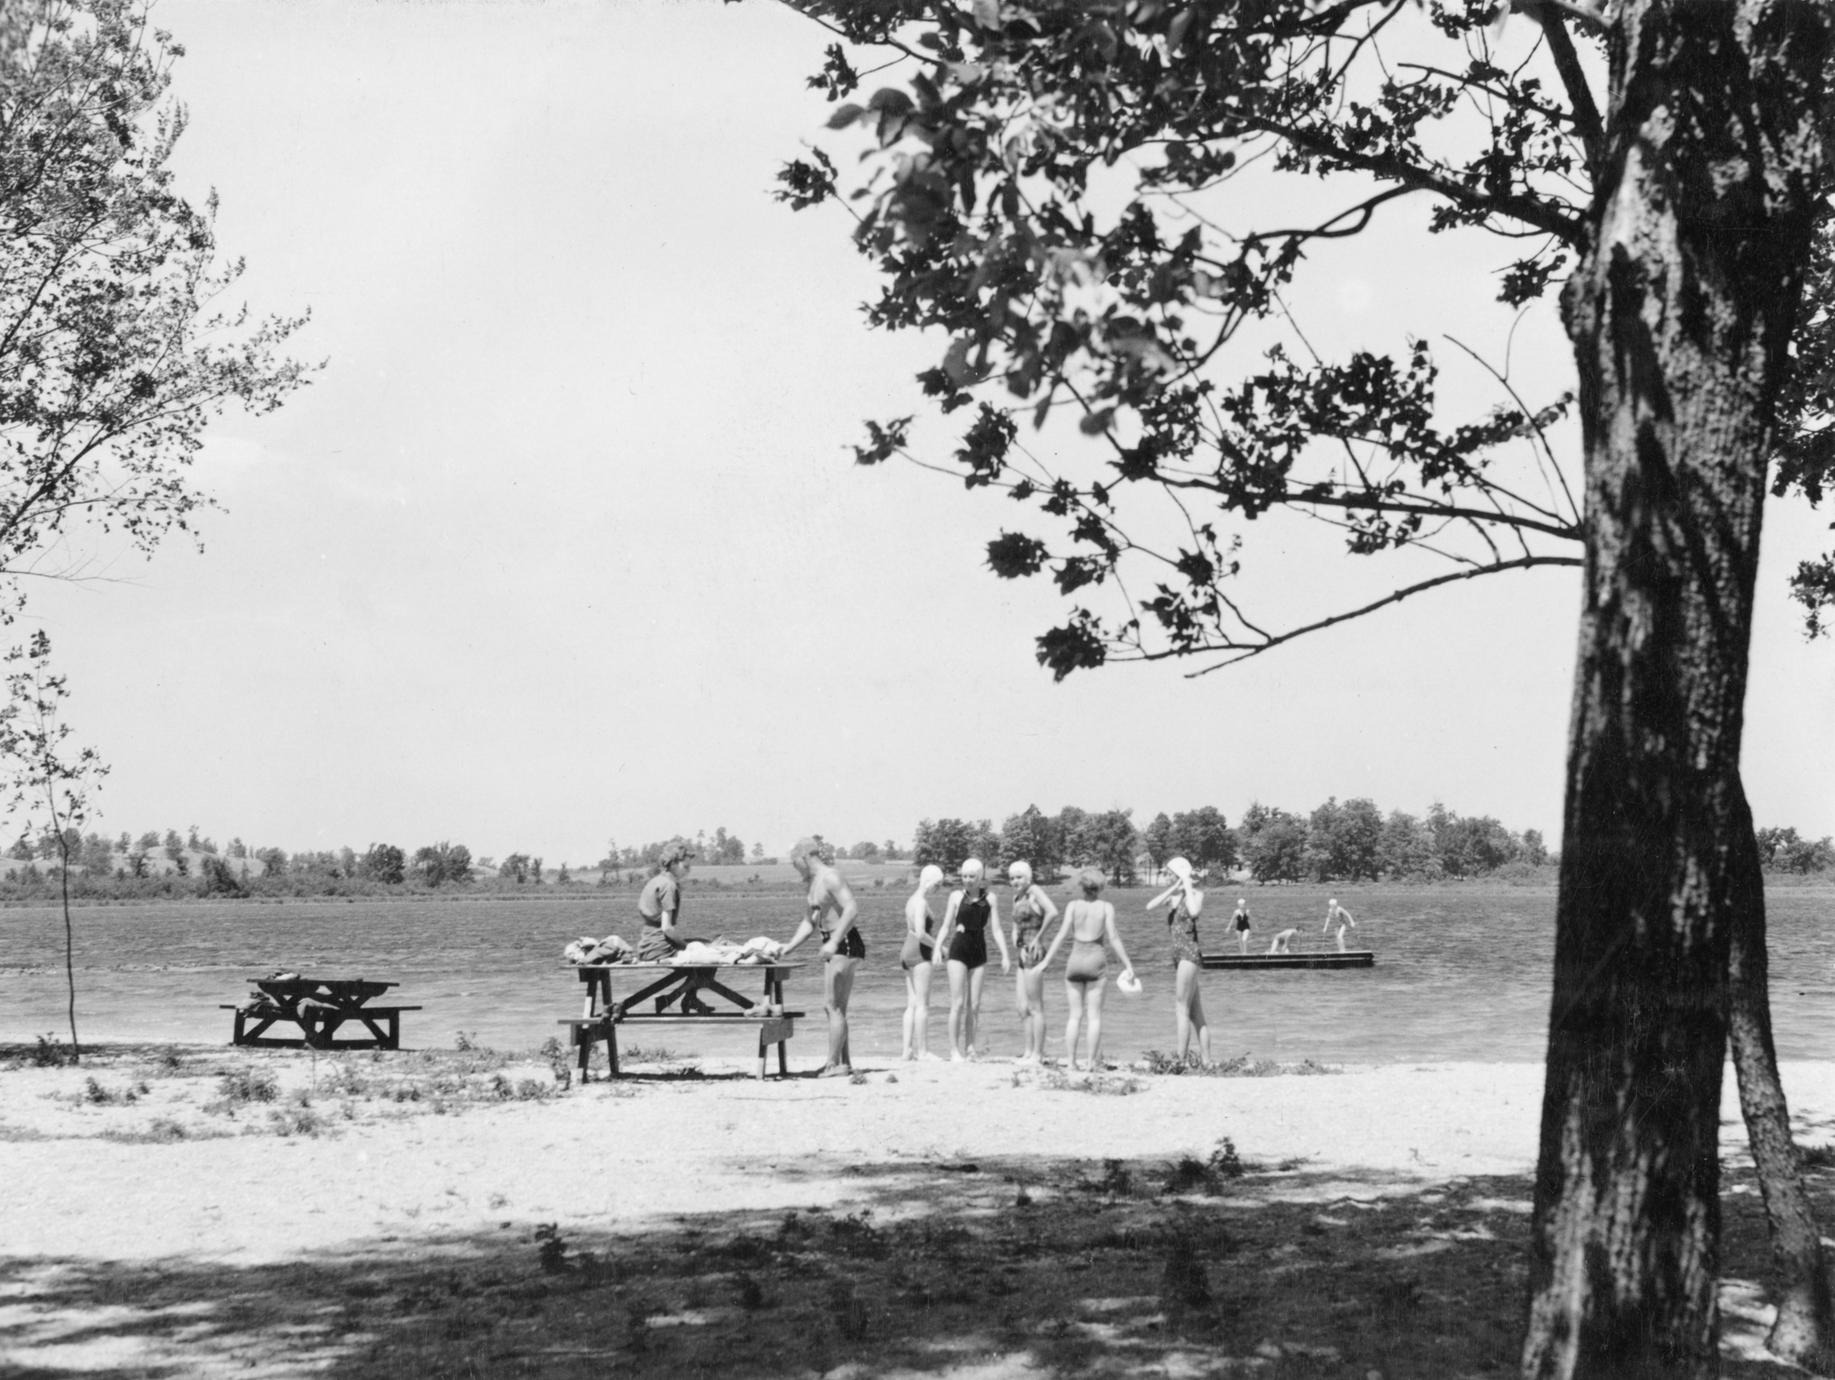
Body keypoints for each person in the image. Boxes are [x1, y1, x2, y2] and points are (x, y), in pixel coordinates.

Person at [1034, 867, 1135, 1070]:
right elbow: (1113, 937)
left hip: (1074, 962)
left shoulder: (1073, 906)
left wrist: (1046, 962)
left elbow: (1061, 935)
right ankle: (1090, 1062)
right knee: (1094, 1016)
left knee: (1074, 1016)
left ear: (1082, 886)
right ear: (1101, 887)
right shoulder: (1106, 907)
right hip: (1096, 961)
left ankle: (1071, 1062)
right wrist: (1128, 964)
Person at [780, 837, 863, 1077]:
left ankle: (832, 1064)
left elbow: (851, 909)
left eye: (794, 863)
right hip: (833, 941)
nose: (794, 867)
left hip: (844, 941)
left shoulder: (830, 877)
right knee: (838, 1008)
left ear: (804, 858)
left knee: (832, 1006)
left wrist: (835, 939)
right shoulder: (813, 883)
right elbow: (809, 923)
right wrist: (787, 948)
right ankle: (843, 1063)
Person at [931, 857, 1010, 1060]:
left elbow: (997, 929)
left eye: (971, 876)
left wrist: (1005, 955)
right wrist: (937, 948)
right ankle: (954, 1050)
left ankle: (970, 1048)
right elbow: (945, 925)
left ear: (980, 877)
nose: (967, 880)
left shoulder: (990, 898)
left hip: (979, 952)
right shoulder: (956, 896)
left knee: (974, 1005)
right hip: (958, 951)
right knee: (957, 1003)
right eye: (964, 876)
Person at [1146, 855, 1211, 1064]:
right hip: (1178, 956)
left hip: (1188, 954)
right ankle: (1207, 1062)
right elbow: (1150, 906)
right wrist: (1175, 885)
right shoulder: (1172, 897)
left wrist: (1186, 884)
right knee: (1195, 1013)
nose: (1165, 876)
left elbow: (1193, 911)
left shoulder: (1196, 894)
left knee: (1181, 1008)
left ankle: (1180, 1061)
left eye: (1169, 873)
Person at [636, 845, 709, 1013]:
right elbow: (667, 928)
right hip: (660, 948)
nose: (688, 871)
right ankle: (678, 998)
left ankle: (687, 998)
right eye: (686, 866)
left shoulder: (654, 881)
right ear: (674, 864)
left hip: (646, 944)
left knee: (704, 944)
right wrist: (686, 946)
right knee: (710, 958)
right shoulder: (669, 886)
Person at [1007, 860, 1060, 1064]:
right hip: (1022, 952)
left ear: (1027, 877)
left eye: (1019, 877)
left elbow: (1053, 912)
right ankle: (1028, 1051)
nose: (1015, 881)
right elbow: (1015, 921)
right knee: (1022, 1007)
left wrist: (1038, 939)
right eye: (1012, 878)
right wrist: (1014, 933)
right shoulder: (1016, 897)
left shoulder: (1035, 891)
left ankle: (1038, 1053)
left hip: (1034, 953)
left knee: (1036, 1006)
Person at [900, 864, 945, 1060]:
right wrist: (940, 947)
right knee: (922, 1004)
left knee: (911, 1004)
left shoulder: (911, 900)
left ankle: (906, 1050)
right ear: (931, 883)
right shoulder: (920, 902)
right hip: (919, 953)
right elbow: (920, 932)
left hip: (906, 951)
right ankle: (923, 1051)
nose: (938, 889)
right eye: (938, 885)